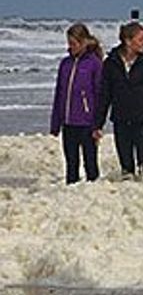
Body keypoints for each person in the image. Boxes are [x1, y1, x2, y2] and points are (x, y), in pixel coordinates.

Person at [95, 21, 143, 180]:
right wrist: (98, 125)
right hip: (120, 120)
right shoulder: (111, 62)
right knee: (126, 168)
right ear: (128, 41)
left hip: (142, 120)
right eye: (141, 39)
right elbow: (104, 96)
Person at [50, 23, 104, 184]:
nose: (70, 47)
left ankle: (94, 193)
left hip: (87, 123)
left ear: (84, 42)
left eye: (74, 44)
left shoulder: (94, 64)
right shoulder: (65, 64)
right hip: (68, 122)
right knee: (71, 163)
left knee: (90, 163)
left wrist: (97, 124)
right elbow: (59, 94)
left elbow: (99, 95)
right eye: (69, 43)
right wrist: (55, 123)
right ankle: (71, 193)